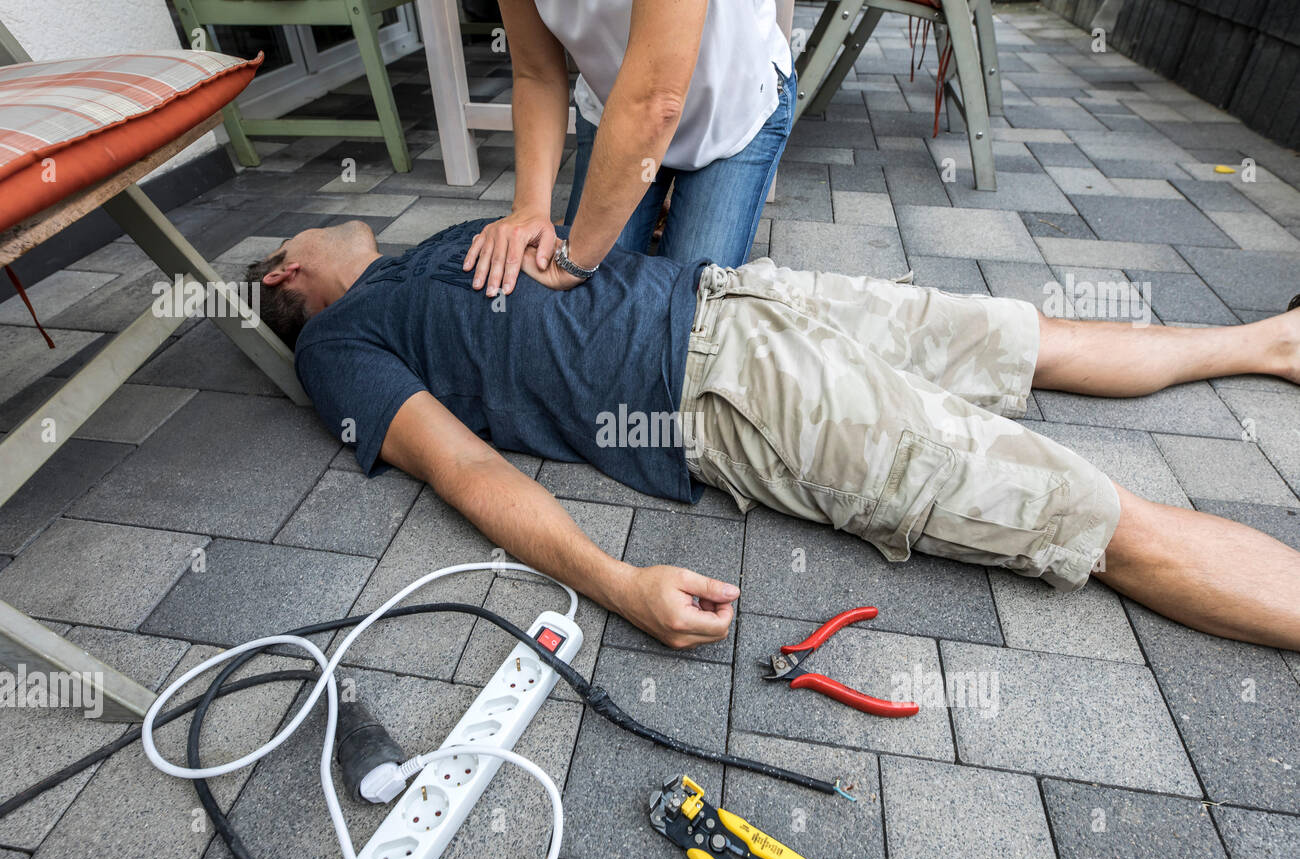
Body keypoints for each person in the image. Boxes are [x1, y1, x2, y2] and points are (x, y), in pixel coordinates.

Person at [247, 219, 1300, 652]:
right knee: (1097, 522)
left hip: (740, 293)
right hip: (726, 389)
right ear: (283, 275)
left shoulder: (412, 260)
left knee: (1027, 340)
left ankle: (1269, 342)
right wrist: (616, 585)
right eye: (294, 235)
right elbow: (464, 467)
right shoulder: (335, 345)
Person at [461, 0, 794, 298]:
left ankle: (652, 195)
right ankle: (648, 193)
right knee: (582, 299)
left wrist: (574, 261)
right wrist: (530, 210)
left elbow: (657, 104)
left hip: (728, 109)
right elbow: (536, 74)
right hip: (616, 108)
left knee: (675, 310)